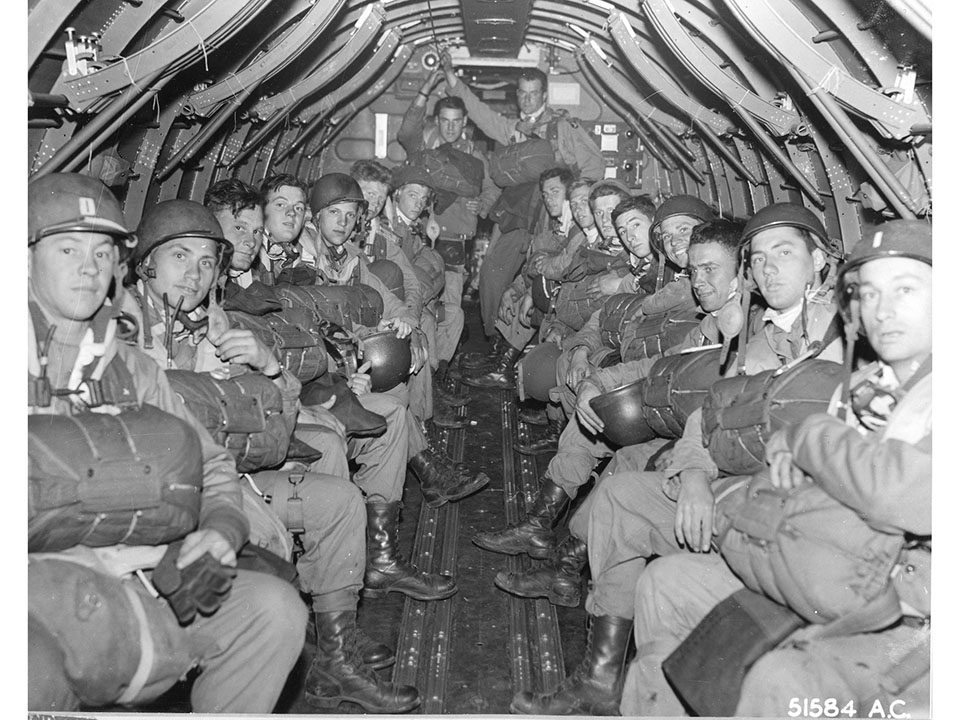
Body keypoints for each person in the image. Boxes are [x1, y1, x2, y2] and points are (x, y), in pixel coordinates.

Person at [509, 203, 846, 715]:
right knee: (621, 498)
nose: (769, 269)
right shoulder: (757, 335)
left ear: (819, 260)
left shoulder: (844, 339)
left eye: (783, 254)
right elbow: (707, 413)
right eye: (759, 258)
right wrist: (693, 474)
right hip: (730, 491)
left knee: (634, 482)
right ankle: (601, 678)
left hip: (790, 522)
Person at [122, 195, 424, 712]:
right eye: (180, 257)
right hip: (166, 496)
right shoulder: (120, 331)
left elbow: (277, 417)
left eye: (206, 261)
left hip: (231, 475)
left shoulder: (212, 322)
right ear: (147, 263)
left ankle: (334, 658)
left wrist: (268, 368)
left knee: (341, 502)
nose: (194, 274)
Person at [619, 219, 931, 718]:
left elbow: (901, 493)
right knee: (666, 585)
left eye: (906, 290)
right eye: (870, 294)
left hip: (898, 607)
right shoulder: (864, 383)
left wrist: (807, 436)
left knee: (780, 681)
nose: (883, 309)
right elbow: (729, 417)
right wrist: (703, 476)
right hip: (814, 556)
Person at [28, 173, 306, 713]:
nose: (89, 267)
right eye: (68, 249)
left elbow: (211, 465)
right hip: (39, 585)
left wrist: (221, 530)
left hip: (140, 567)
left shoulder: (128, 367)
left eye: (102, 251)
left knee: (272, 609)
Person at [440, 52, 604, 339]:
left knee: (543, 275)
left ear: (544, 95)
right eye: (523, 94)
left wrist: (574, 202)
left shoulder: (564, 128)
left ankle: (531, 343)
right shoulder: (513, 130)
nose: (527, 99)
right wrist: (452, 77)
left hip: (553, 216)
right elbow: (481, 114)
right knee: (492, 272)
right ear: (517, 96)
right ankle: (495, 338)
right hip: (518, 214)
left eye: (533, 93)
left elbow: (595, 166)